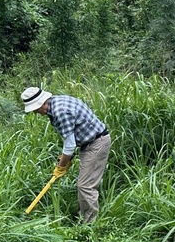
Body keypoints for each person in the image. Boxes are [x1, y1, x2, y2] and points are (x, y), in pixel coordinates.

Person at [21, 86, 112, 223]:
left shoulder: (60, 112)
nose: (35, 113)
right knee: (83, 184)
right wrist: (65, 159)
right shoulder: (57, 102)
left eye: (35, 109)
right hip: (88, 143)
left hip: (96, 143)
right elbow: (72, 136)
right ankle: (84, 216)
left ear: (42, 104)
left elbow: (70, 145)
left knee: (85, 185)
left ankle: (90, 225)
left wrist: (61, 166)